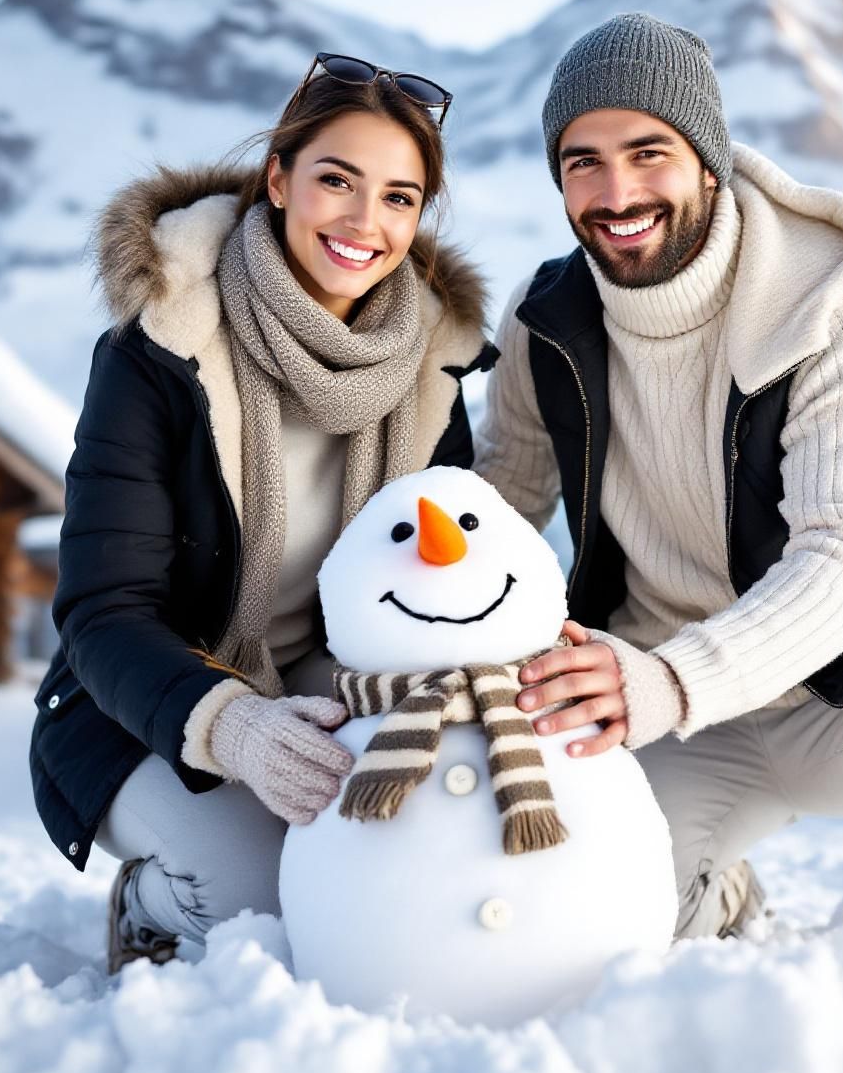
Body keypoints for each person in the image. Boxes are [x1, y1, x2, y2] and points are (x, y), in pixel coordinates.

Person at [477, 11, 843, 938]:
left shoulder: (828, 306)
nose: (617, 192)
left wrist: (667, 681)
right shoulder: (546, 326)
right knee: (593, 935)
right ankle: (720, 899)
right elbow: (501, 507)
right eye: (583, 161)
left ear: (708, 159)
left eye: (649, 152)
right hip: (664, 709)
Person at [28, 53, 494, 971]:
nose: (366, 222)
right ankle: (154, 906)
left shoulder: (430, 367)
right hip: (147, 703)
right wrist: (234, 725)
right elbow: (102, 611)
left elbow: (442, 571)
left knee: (437, 827)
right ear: (278, 180)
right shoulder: (160, 347)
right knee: (258, 906)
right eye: (337, 181)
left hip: (327, 680)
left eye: (400, 198)